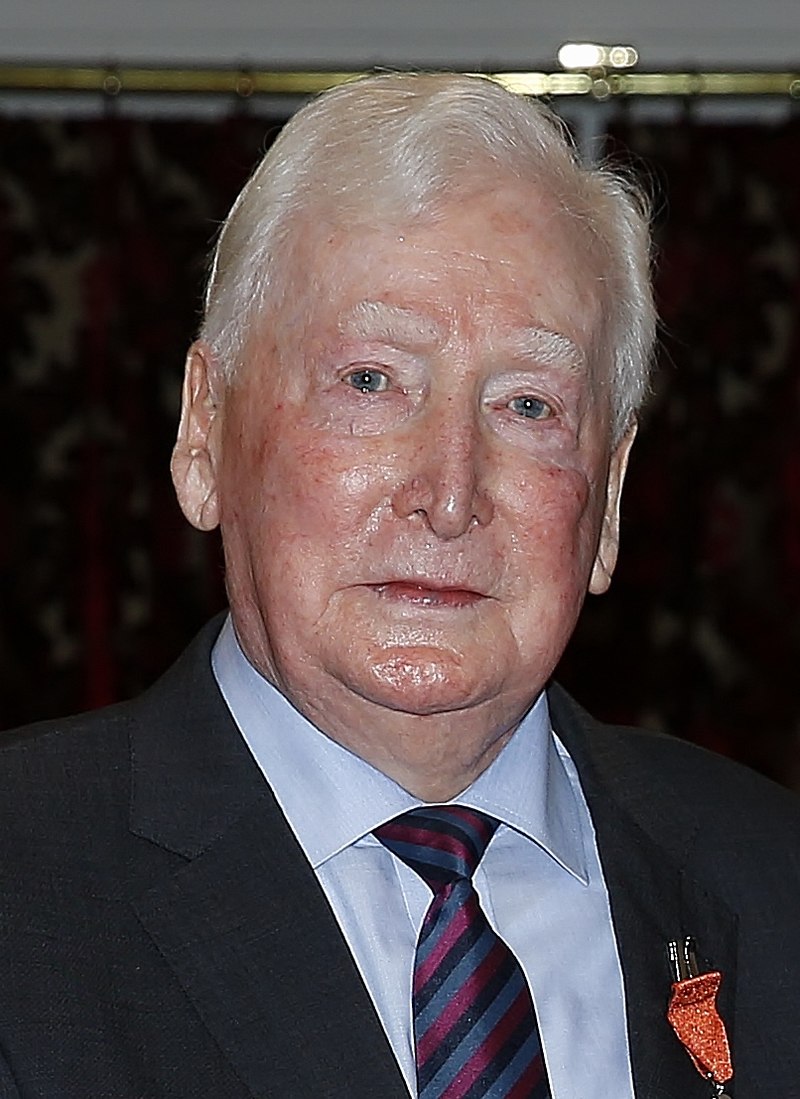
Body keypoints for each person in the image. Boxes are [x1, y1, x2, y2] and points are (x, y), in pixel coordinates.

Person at [0, 72, 798, 1099]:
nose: (449, 495)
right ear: (204, 435)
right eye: (370, 381)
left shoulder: (770, 883)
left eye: (528, 405)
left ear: (606, 502)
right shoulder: (24, 883)